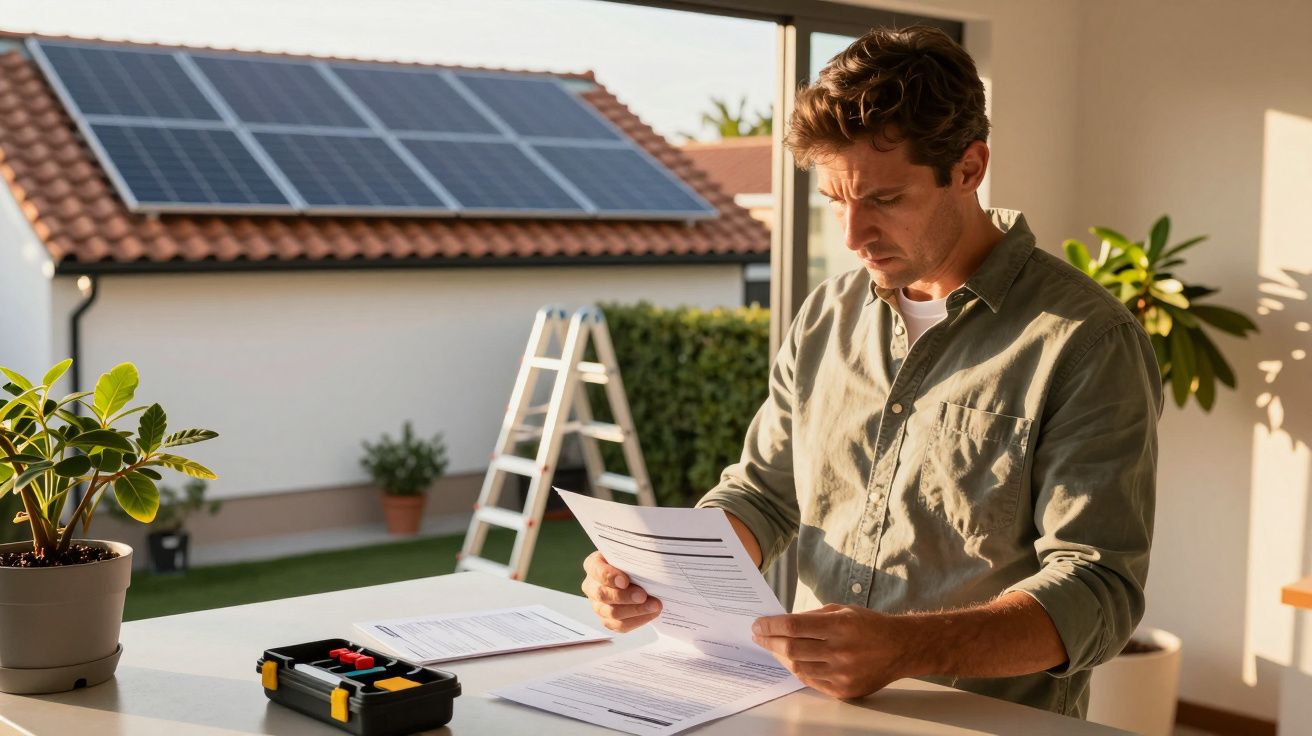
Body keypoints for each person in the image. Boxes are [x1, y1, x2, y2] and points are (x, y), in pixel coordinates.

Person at [581, 25, 1161, 719]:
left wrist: (907, 647)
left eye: (884, 200)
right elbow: (764, 494)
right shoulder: (826, 316)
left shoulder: (1086, 341)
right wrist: (664, 573)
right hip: (807, 712)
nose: (853, 235)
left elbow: (1099, 589)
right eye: (835, 200)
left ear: (969, 168)